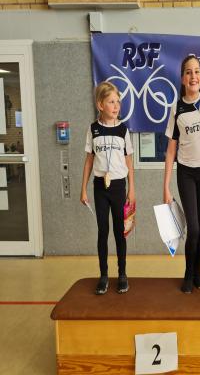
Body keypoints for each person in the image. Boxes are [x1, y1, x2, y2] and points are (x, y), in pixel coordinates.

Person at [163, 54, 200, 294]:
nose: (193, 76)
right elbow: (171, 150)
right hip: (186, 174)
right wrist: (166, 187)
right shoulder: (177, 108)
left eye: (197, 71)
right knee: (193, 228)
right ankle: (188, 272)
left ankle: (197, 270)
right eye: (188, 72)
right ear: (183, 78)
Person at [80, 81, 135, 295]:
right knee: (103, 231)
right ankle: (103, 275)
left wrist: (132, 189)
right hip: (100, 187)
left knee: (120, 232)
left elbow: (129, 162)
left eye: (118, 102)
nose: (116, 106)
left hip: (119, 186)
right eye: (111, 102)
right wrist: (83, 189)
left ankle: (122, 274)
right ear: (100, 105)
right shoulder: (93, 129)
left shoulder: (123, 130)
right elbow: (89, 160)